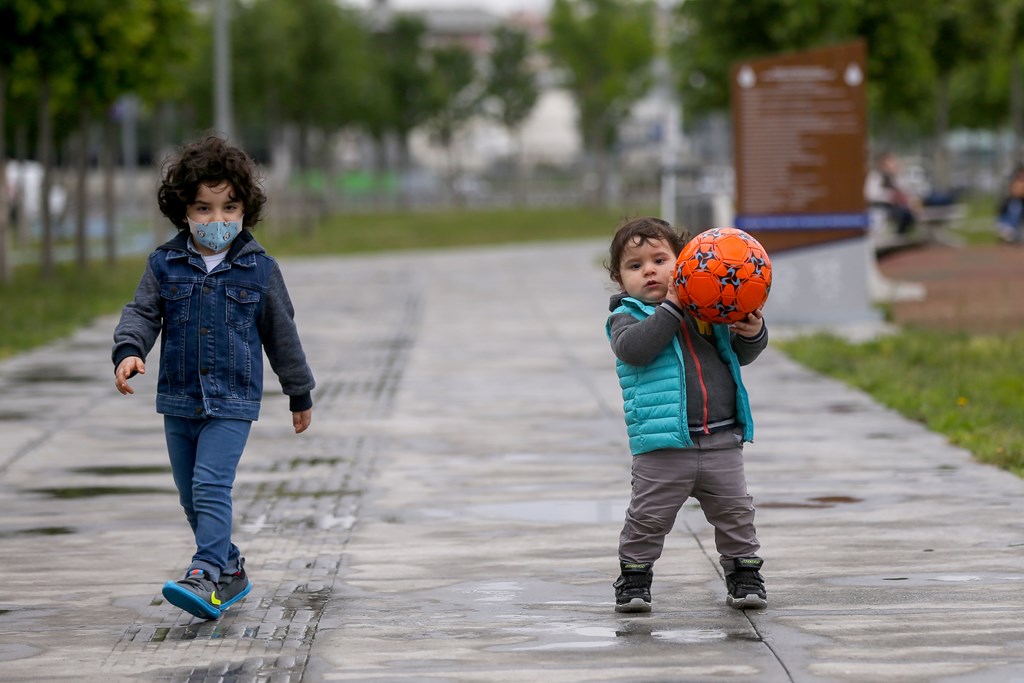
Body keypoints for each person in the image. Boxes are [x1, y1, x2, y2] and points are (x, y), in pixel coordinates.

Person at [112, 135, 315, 621]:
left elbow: (281, 333)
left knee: (209, 487)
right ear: (183, 211)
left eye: (229, 208)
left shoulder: (260, 270)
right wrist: (129, 351)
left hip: (231, 403)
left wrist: (298, 391)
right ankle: (231, 566)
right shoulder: (165, 265)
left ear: (246, 208)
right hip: (179, 402)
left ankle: (205, 576)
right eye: (203, 209)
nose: (217, 221)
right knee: (190, 498)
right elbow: (141, 312)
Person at [604, 217, 769, 613]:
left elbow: (738, 358)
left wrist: (751, 331)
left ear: (683, 262)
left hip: (721, 439)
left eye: (660, 260)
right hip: (663, 446)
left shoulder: (708, 310)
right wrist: (673, 307)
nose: (649, 270)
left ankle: (743, 573)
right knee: (648, 518)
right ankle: (635, 579)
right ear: (619, 278)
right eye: (635, 265)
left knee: (735, 513)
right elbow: (635, 350)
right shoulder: (626, 318)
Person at [864, 150, 919, 235]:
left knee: (908, 214)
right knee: (902, 214)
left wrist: (898, 174)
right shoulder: (876, 176)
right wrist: (890, 196)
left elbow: (905, 191)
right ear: (883, 164)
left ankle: (901, 235)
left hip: (896, 207)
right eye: (890, 161)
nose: (893, 163)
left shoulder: (895, 177)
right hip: (881, 207)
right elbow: (870, 194)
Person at [996, 168, 1024, 244]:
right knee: (1015, 206)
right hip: (1014, 205)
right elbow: (1016, 192)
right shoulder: (1012, 202)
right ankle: (1009, 233)